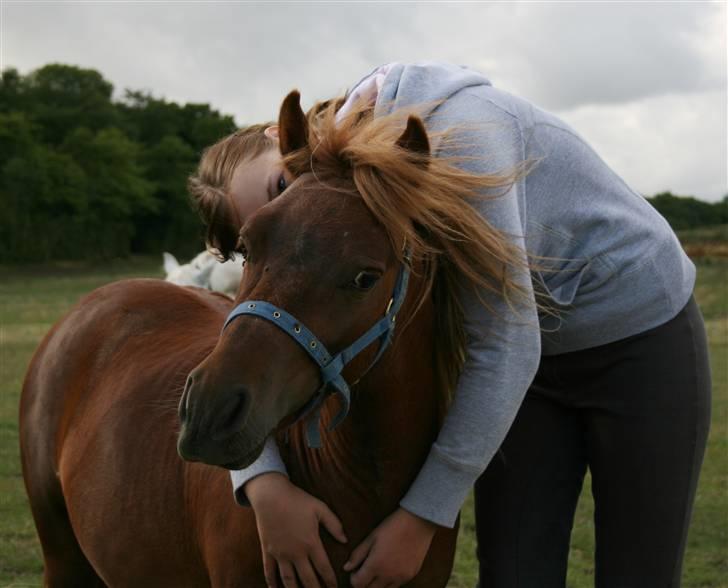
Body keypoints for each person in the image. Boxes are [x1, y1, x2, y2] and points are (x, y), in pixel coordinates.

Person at [188, 62, 712, 588]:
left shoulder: (463, 139)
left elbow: (506, 341)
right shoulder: (343, 213)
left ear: (284, 136)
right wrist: (260, 478)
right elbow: (262, 331)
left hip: (641, 340)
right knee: (513, 572)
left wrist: (421, 520)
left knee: (639, 570)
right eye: (277, 210)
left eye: (282, 181)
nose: (299, 202)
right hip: (528, 365)